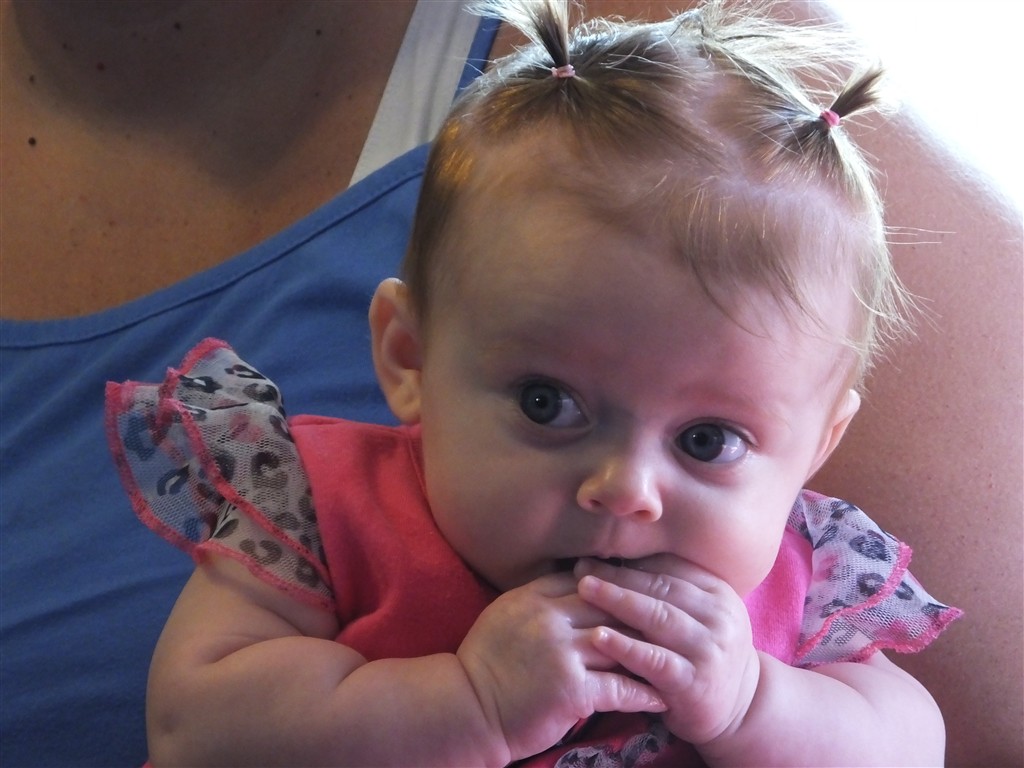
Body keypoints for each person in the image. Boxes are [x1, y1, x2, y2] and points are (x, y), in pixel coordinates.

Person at [2, 0, 1020, 765]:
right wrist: (471, 704)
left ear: (816, 444)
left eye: (707, 441)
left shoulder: (793, 584)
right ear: (408, 360)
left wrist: (755, 703)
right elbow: (196, 725)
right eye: (548, 405)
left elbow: (911, 742)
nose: (625, 489)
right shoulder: (323, 513)